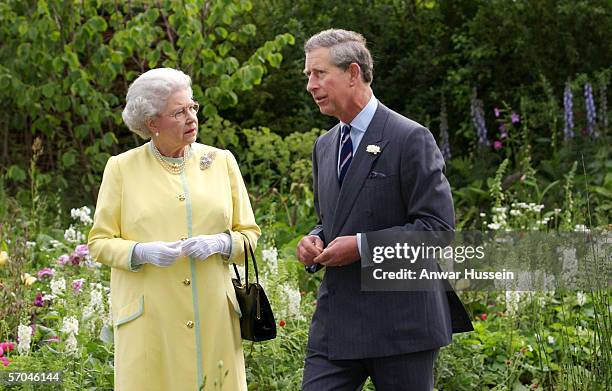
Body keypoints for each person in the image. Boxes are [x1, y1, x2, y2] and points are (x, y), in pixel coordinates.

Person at [297, 29, 473, 390]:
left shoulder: (410, 138)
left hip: (401, 325)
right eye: (308, 76)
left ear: (353, 73)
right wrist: (315, 240)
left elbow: (436, 230)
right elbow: (331, 221)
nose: (311, 85)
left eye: (319, 73)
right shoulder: (325, 146)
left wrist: (361, 247)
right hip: (337, 323)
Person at [88, 68, 260, 391]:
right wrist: (140, 252)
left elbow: (249, 235)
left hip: (214, 318)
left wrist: (220, 244)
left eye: (192, 107)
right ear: (152, 123)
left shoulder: (221, 161)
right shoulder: (122, 168)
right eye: (179, 112)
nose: (191, 117)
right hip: (150, 321)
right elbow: (99, 242)